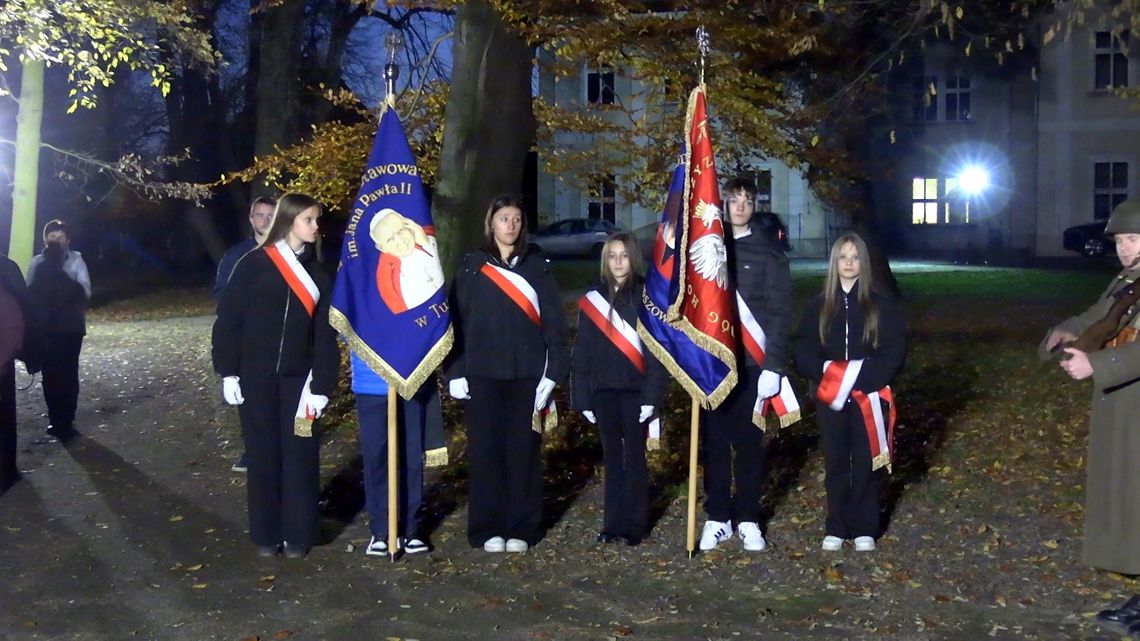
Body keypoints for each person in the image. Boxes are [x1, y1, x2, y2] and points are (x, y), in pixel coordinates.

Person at [212, 193, 339, 559]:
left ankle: (299, 533)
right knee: (264, 455)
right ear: (289, 221)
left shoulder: (319, 274)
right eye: (309, 220)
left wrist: (322, 384)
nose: (316, 227)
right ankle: (267, 534)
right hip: (255, 379)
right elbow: (229, 322)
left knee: (300, 456)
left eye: (317, 220)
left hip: (301, 384)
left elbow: (324, 335)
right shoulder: (253, 265)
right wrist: (228, 372)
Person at [446, 195, 569, 554]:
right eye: (503, 219)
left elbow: (555, 325)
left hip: (527, 376)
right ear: (492, 223)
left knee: (523, 453)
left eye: (516, 219)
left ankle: (523, 528)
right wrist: (455, 370)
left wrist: (554, 373)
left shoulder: (537, 265)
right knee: (486, 453)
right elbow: (457, 321)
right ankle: (487, 528)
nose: (510, 226)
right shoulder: (472, 265)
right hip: (482, 374)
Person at [1040, 199, 1140, 575]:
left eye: (1134, 238)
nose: (1125, 247)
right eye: (1120, 240)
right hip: (1122, 402)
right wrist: (1069, 331)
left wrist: (1097, 364)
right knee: (1124, 495)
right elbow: (1101, 315)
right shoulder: (1129, 280)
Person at [698, 178, 793, 552]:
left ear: (754, 205)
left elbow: (780, 313)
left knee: (750, 445)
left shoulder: (769, 253)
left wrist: (774, 366)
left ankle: (749, 518)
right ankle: (718, 517)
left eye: (746, 200)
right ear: (722, 204)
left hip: (753, 367)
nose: (739, 206)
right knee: (715, 445)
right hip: (713, 367)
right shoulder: (706, 246)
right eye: (733, 200)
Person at [794, 232, 905, 553]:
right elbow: (803, 347)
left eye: (855, 257)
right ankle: (837, 525)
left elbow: (894, 350)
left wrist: (864, 378)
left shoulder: (881, 305)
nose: (849, 263)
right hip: (830, 395)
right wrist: (824, 372)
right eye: (843, 257)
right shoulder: (817, 306)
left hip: (867, 395)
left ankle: (864, 527)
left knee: (867, 462)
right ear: (834, 262)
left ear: (863, 263)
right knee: (836, 461)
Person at [571, 232, 665, 546]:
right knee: (612, 458)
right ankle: (612, 524)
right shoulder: (593, 298)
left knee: (635, 459)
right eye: (612, 256)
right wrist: (582, 395)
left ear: (633, 257)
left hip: (636, 391)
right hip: (603, 391)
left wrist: (652, 396)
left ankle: (634, 525)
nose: (618, 262)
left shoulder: (646, 296)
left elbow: (656, 351)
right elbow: (582, 349)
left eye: (624, 255)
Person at [214, 196, 276, 473]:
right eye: (259, 215)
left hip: (281, 339)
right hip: (248, 341)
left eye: (269, 215)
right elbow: (222, 296)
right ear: (251, 219)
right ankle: (254, 451)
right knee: (250, 400)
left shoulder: (290, 251)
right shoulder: (236, 256)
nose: (264, 220)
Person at [352, 352, 436, 556]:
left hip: (411, 375)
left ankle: (411, 528)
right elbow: (345, 325)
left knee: (412, 455)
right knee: (376, 456)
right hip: (371, 379)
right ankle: (381, 529)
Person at [26, 219, 91, 440]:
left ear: (68, 239)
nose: (56, 239)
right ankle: (56, 419)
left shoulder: (76, 260)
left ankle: (67, 419)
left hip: (71, 328)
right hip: (47, 329)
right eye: (51, 235)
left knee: (69, 373)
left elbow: (85, 291)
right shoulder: (36, 263)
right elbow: (29, 294)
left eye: (60, 236)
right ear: (44, 239)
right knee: (50, 374)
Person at [369, 208, 445, 314]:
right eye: (390, 239)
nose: (400, 241)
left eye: (400, 231)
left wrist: (427, 243)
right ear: (382, 248)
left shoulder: (431, 238)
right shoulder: (388, 277)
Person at [0, 253, 33, 491]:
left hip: (1, 371)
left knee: (4, 422)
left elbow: (13, 333)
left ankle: (6, 472)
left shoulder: (4, 298)